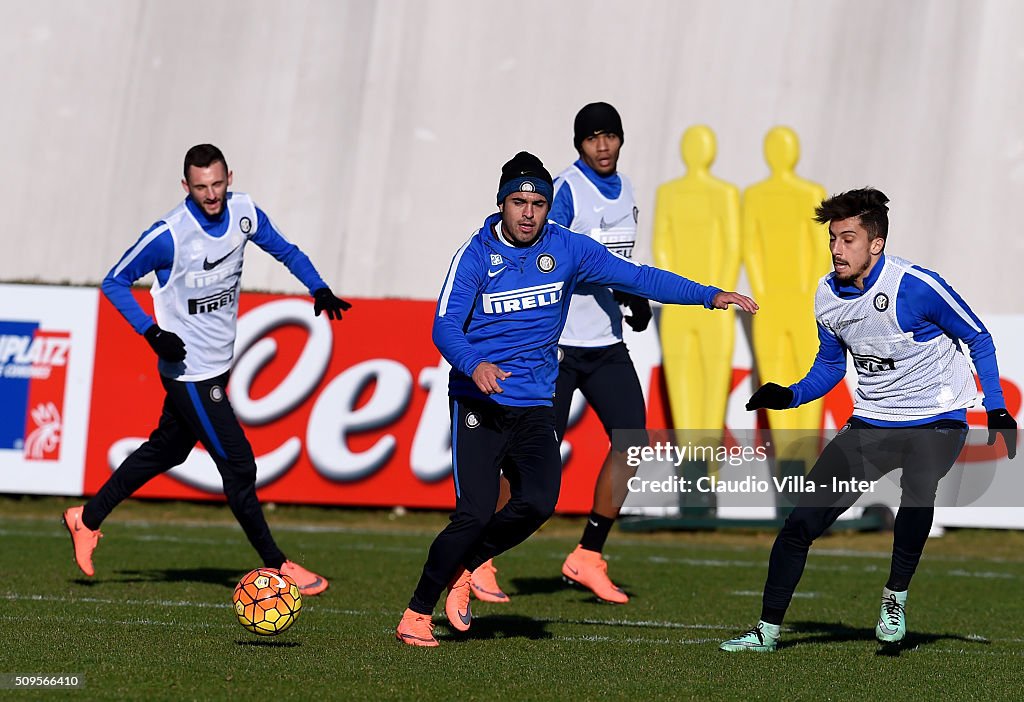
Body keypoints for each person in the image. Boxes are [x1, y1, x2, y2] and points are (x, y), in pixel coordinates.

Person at [396, 151, 757, 646]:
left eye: (538, 202)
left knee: (540, 502)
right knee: (475, 513)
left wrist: (708, 295)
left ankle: (466, 567)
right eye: (518, 201)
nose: (528, 212)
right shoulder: (476, 254)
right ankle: (416, 613)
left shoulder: (568, 249)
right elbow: (444, 327)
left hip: (533, 402)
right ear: (501, 203)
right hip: (479, 401)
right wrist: (475, 365)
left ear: (548, 206)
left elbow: (639, 277)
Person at [720, 187, 1017, 652]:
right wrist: (791, 395)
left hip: (938, 418)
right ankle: (766, 632)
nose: (837, 249)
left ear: (875, 243)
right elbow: (831, 367)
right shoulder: (826, 294)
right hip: (874, 422)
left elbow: (978, 337)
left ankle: (894, 597)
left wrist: (996, 407)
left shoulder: (915, 286)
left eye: (849, 239)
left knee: (918, 489)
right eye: (833, 239)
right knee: (800, 525)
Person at [61, 144, 350, 596]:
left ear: (229, 177)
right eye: (201, 187)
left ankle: (86, 518)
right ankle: (277, 565)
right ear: (185, 187)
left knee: (167, 450)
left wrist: (319, 287)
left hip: (219, 365)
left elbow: (286, 251)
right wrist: (151, 332)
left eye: (217, 184)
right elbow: (114, 281)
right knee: (239, 465)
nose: (211, 195)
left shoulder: (244, 212)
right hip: (188, 371)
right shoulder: (169, 235)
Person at [470, 102, 651, 606]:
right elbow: (549, 257)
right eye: (592, 137)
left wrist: (630, 295)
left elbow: (617, 260)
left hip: (604, 343)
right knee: (523, 464)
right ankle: (479, 558)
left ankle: (587, 554)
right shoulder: (566, 189)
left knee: (634, 443)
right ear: (579, 144)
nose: (602, 145)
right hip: (558, 347)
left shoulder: (629, 187)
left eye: (609, 135)